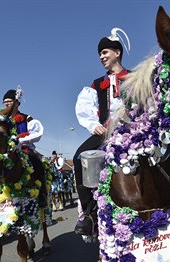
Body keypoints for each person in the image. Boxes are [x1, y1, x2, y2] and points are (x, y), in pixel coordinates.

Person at [73, 28, 131, 236]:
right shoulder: (97, 84)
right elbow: (85, 108)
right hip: (104, 133)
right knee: (79, 158)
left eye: (105, 52)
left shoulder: (134, 77)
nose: (101, 57)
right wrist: (93, 125)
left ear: (117, 52)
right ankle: (89, 214)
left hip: (133, 132)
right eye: (100, 54)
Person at [2, 87, 47, 207]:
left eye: (9, 102)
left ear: (16, 103)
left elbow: (37, 133)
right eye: (5, 102)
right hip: (5, 151)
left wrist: (19, 140)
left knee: (37, 163)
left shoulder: (26, 118)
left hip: (24, 150)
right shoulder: (1, 120)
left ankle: (42, 195)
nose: (6, 104)